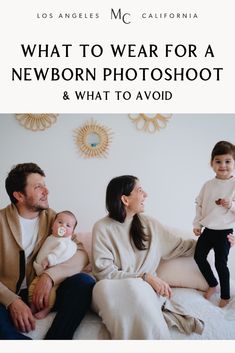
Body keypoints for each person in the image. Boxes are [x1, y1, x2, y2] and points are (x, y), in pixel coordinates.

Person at [91, 175, 200, 340]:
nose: (146, 194)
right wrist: (144, 277)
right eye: (140, 190)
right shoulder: (102, 227)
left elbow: (182, 246)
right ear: (125, 200)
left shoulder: (150, 225)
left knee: (137, 289)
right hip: (111, 288)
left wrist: (214, 240)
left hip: (143, 291)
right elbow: (104, 274)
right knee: (111, 287)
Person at [0, 163, 95, 340]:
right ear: (19, 195)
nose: (46, 191)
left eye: (45, 184)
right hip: (6, 294)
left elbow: (81, 253)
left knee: (84, 282)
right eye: (38, 187)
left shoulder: (55, 219)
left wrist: (50, 276)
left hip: (46, 292)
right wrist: (11, 300)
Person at [193, 141, 235, 308]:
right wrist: (197, 224)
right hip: (209, 230)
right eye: (218, 161)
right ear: (211, 164)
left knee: (220, 263)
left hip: (225, 232)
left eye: (227, 161)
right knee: (198, 257)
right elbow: (200, 204)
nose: (223, 165)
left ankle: (225, 295)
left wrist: (231, 205)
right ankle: (213, 283)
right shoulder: (208, 185)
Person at [28, 210, 78, 319]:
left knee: (50, 293)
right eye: (60, 222)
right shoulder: (50, 237)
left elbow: (60, 252)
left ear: (72, 232)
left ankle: (47, 308)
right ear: (52, 225)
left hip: (53, 273)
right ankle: (32, 306)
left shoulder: (65, 242)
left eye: (68, 225)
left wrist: (50, 259)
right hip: (39, 272)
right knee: (32, 289)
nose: (63, 226)